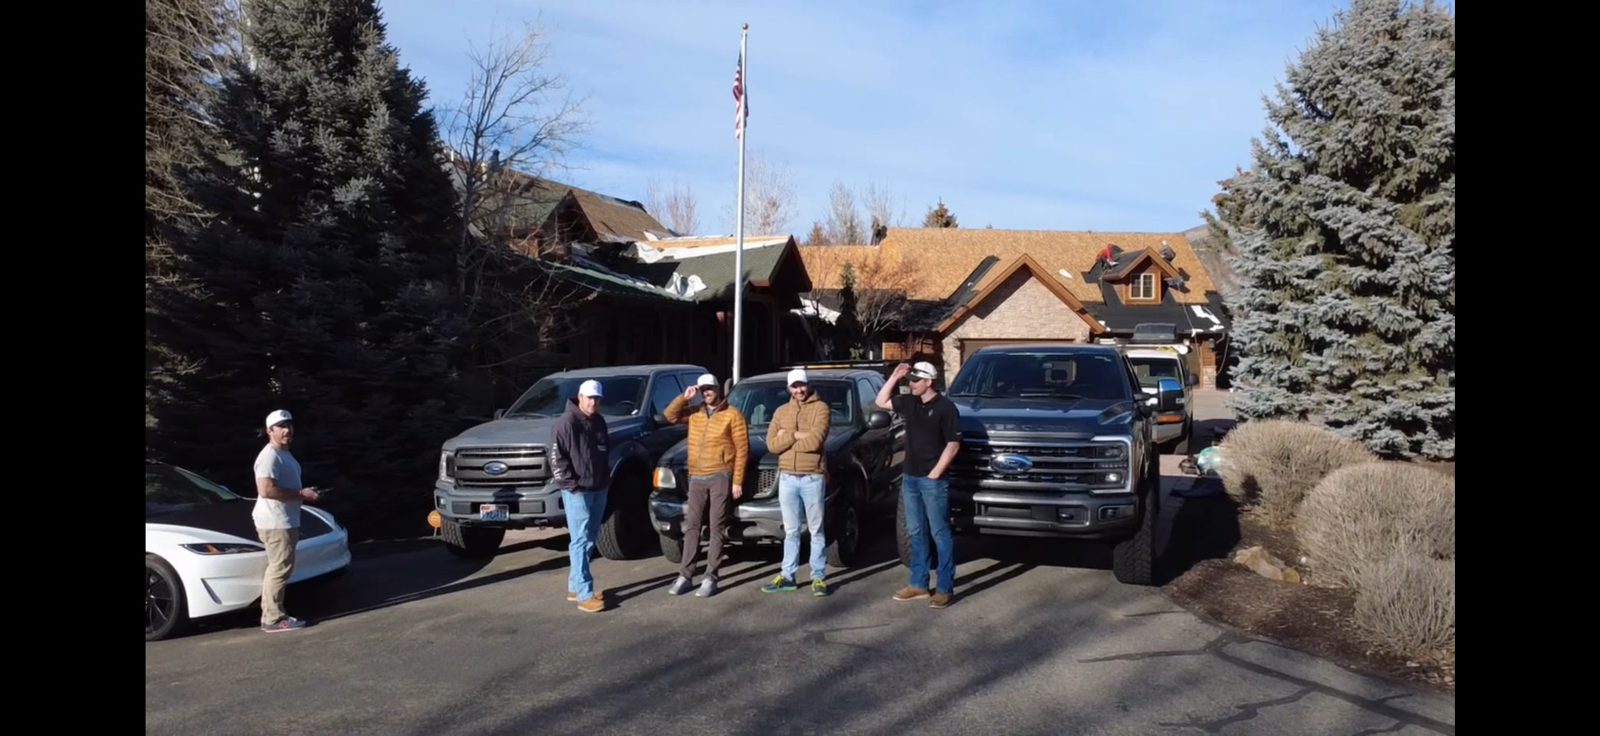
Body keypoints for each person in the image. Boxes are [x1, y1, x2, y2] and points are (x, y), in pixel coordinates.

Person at [875, 361, 962, 609]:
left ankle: (944, 588)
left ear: (928, 382)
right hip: (910, 478)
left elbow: (953, 444)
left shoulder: (946, 408)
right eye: (909, 379)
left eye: (915, 380)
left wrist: (936, 472)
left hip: (933, 481)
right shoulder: (909, 403)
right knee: (915, 532)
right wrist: (894, 376)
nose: (910, 383)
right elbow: (881, 402)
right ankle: (919, 584)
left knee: (940, 533)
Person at [662, 373, 750, 598]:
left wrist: (737, 480)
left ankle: (711, 576)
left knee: (716, 526)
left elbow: (742, 450)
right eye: (703, 390)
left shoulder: (733, 415)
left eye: (710, 388)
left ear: (718, 389)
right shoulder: (694, 414)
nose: (707, 392)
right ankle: (685, 574)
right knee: (691, 527)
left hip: (720, 475)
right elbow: (669, 416)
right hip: (696, 477)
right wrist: (684, 398)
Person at [761, 368, 833, 597]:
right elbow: (772, 446)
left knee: (816, 529)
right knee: (791, 531)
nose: (799, 390)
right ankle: (788, 576)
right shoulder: (781, 411)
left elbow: (816, 441)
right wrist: (796, 435)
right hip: (787, 478)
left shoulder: (821, 408)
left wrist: (787, 436)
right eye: (794, 386)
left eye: (802, 385)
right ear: (789, 388)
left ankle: (818, 577)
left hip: (812, 476)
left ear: (808, 384)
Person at [253, 410, 322, 633]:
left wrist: (303, 493)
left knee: (280, 567)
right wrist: (302, 494)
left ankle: (271, 614)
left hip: (284, 519)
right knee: (280, 568)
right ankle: (273, 619)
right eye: (281, 426)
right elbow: (266, 490)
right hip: (275, 521)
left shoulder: (284, 454)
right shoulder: (269, 456)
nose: (287, 430)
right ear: (269, 431)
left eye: (289, 425)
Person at [551, 379, 611, 613]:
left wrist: (605, 479)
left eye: (597, 398)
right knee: (580, 540)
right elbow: (556, 458)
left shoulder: (599, 421)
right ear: (580, 397)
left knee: (589, 538)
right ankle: (585, 594)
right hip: (578, 490)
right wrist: (571, 485)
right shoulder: (566, 423)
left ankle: (575, 586)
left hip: (599, 487)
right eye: (590, 397)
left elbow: (604, 450)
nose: (594, 402)